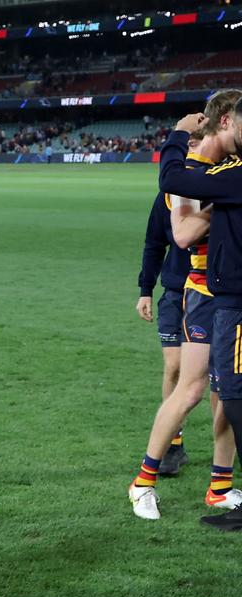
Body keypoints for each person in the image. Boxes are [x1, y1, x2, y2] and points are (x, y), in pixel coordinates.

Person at [128, 90, 242, 521]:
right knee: (192, 390)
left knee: (227, 395)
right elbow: (180, 235)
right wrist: (225, 202)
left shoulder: (221, 169)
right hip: (205, 293)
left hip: (227, 292)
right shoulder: (193, 169)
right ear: (226, 120)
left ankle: (219, 487)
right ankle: (142, 484)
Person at [136, 135, 198, 476]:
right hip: (175, 291)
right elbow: (153, 242)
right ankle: (174, 443)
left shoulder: (217, 188)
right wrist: (145, 289)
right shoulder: (167, 197)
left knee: (216, 378)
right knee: (173, 366)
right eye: (187, 146)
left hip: (211, 293)